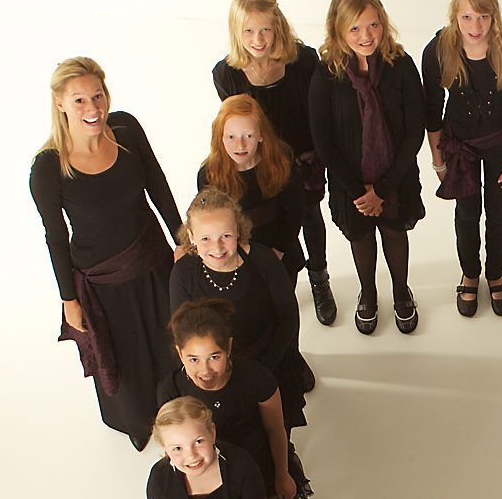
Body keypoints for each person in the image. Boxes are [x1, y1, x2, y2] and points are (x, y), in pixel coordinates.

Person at [30, 56, 183, 451]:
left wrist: (181, 237)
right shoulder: (48, 167)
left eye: (97, 95)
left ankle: (178, 410)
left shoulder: (127, 129)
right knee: (126, 359)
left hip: (152, 262)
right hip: (102, 281)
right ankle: (137, 421)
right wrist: (69, 300)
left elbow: (157, 183)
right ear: (60, 104)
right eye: (79, 100)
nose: (93, 108)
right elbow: (55, 237)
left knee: (169, 341)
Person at [213, 0, 336, 326]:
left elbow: (319, 114)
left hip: (302, 158)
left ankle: (319, 276)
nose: (259, 38)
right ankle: (271, 279)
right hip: (259, 163)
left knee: (310, 217)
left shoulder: (303, 59)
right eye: (249, 30)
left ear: (277, 25)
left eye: (266, 28)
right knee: (269, 222)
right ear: (237, 32)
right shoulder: (226, 74)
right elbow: (234, 122)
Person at [309, 0, 426, 334]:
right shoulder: (326, 75)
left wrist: (384, 189)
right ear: (338, 30)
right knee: (360, 238)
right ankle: (369, 293)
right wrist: (363, 193)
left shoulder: (401, 65)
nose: (366, 35)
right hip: (351, 186)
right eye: (355, 28)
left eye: (373, 24)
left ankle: (401, 291)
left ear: (383, 23)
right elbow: (325, 143)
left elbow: (413, 132)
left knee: (393, 233)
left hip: (396, 178)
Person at [421, 0, 502, 317]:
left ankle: (496, 272)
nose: (475, 25)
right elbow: (432, 112)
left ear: (494, 15)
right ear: (454, 15)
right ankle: (470, 273)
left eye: (483, 16)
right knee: (467, 212)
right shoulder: (439, 49)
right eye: (467, 16)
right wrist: (438, 160)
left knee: (499, 211)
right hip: (460, 148)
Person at [171, 187, 314, 428]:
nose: (217, 248)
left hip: (266, 358)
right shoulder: (183, 272)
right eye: (205, 239)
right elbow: (182, 331)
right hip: (213, 368)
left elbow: (287, 319)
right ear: (191, 237)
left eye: (225, 236)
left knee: (277, 423)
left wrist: (262, 370)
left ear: (238, 230)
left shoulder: (263, 261)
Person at [158, 299, 312, 499]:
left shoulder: (256, 377)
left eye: (214, 357)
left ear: (228, 347)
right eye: (193, 359)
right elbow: (172, 437)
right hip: (203, 461)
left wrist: (282, 475)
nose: (205, 371)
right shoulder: (171, 389)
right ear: (180, 353)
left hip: (257, 459)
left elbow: (275, 429)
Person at [198, 95, 310, 295]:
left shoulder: (280, 163)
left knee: (281, 300)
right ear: (219, 137)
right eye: (230, 137)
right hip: (234, 255)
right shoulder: (209, 174)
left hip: (278, 247)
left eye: (248, 136)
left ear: (261, 135)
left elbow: (295, 212)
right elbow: (209, 221)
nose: (240, 146)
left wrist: (278, 251)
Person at [147, 396, 266, 499]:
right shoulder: (160, 478)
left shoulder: (242, 465)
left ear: (212, 432)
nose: (191, 456)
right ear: (165, 448)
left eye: (198, 442)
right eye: (177, 448)